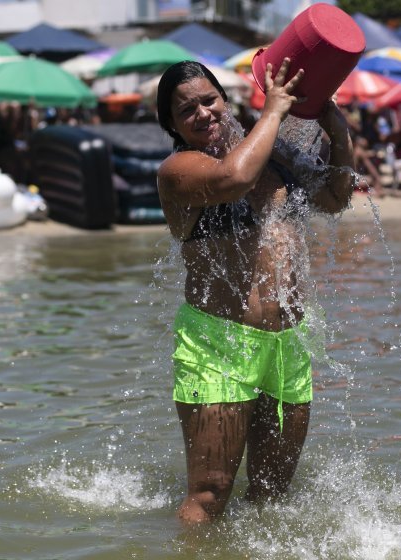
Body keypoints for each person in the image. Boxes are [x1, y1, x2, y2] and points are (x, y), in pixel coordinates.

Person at [155, 58, 354, 524]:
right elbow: (234, 179)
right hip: (218, 345)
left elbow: (335, 198)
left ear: (225, 99)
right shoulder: (178, 170)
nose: (203, 113)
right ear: (172, 125)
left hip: (287, 345)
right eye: (187, 110)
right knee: (210, 494)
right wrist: (275, 111)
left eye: (209, 100)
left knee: (272, 493)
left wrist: (337, 130)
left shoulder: (275, 154)